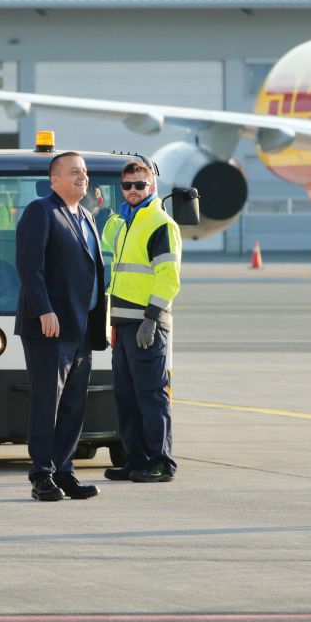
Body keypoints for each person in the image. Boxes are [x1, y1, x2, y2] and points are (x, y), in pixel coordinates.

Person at [14, 151, 108, 502]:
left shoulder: (86, 216)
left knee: (72, 405)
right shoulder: (41, 211)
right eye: (73, 172)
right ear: (54, 180)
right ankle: (41, 475)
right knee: (47, 403)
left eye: (84, 171)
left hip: (81, 328)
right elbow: (29, 265)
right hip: (50, 328)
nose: (82, 177)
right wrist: (43, 310)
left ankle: (65, 471)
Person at [104, 160, 182, 483]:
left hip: (146, 325)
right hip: (122, 325)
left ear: (152, 187)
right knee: (126, 397)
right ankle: (135, 460)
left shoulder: (160, 223)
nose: (133, 190)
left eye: (140, 184)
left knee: (151, 395)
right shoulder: (126, 222)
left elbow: (168, 277)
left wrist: (151, 318)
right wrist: (100, 210)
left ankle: (160, 462)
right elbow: (107, 240)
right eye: (127, 185)